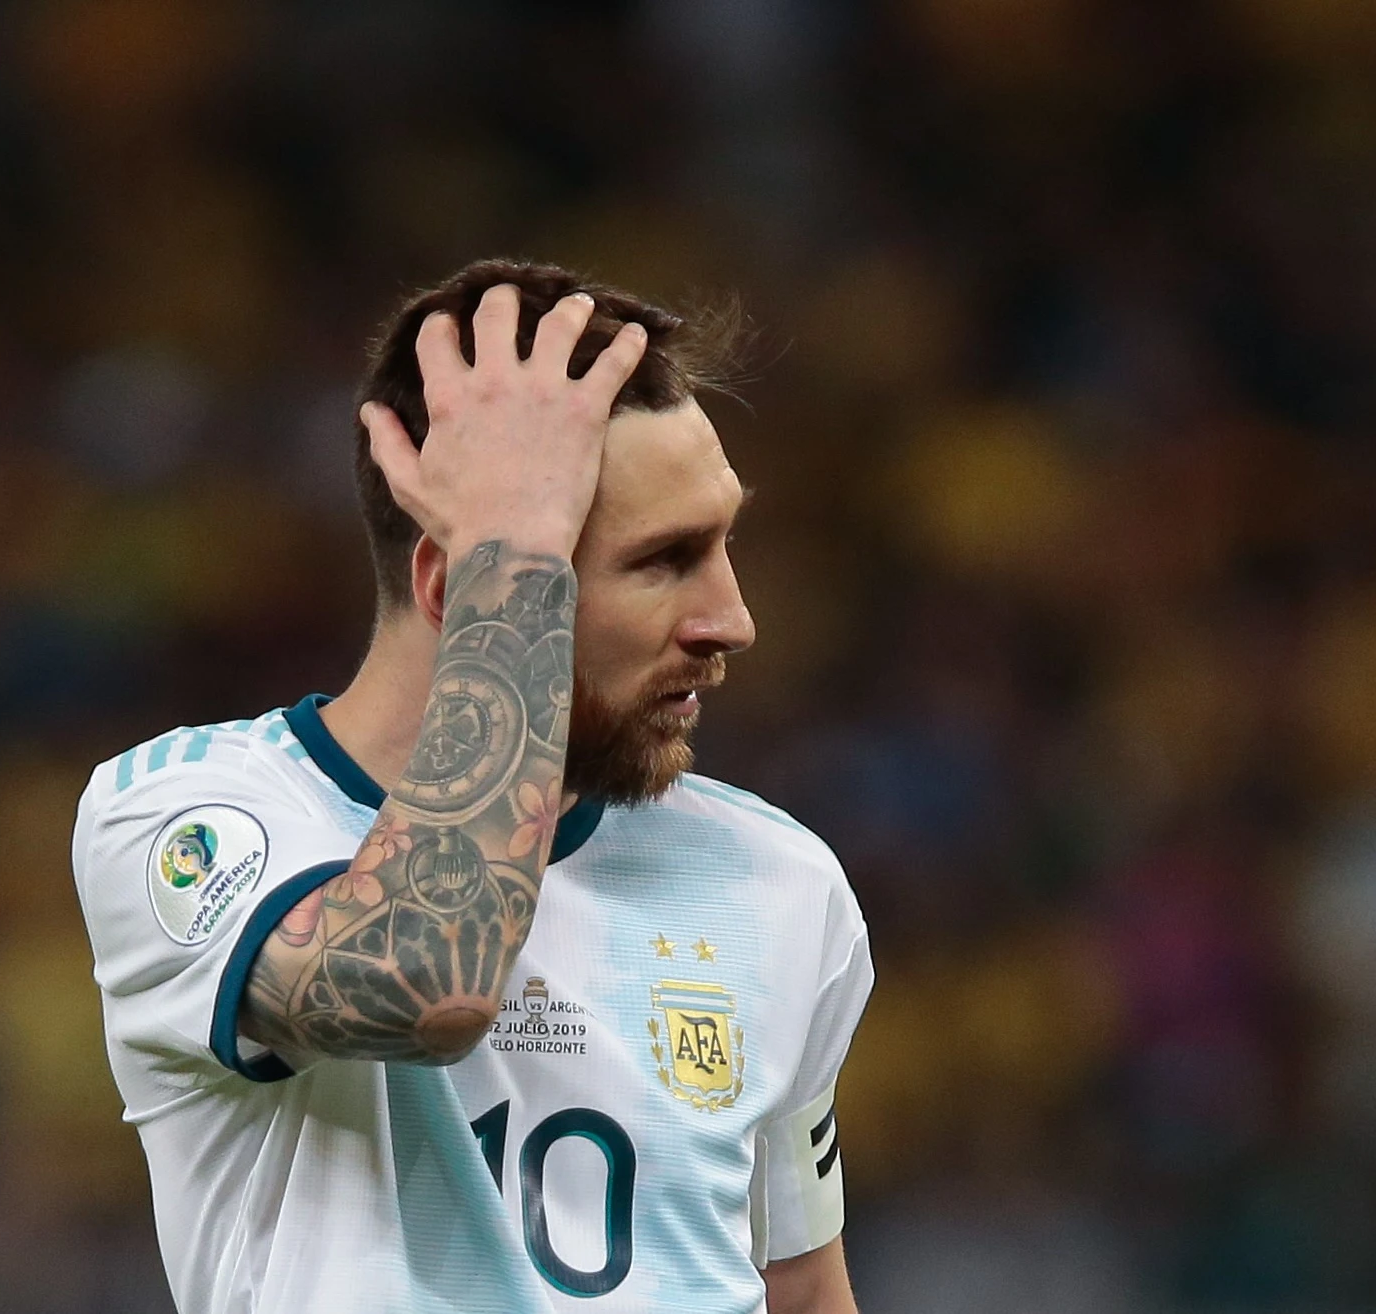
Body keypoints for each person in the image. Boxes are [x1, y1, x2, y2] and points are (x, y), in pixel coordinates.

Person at [70, 259, 873, 1313]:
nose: (731, 619)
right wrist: (518, 545)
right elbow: (425, 980)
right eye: (667, 559)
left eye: (724, 543)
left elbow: (801, 1293)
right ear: (465, 589)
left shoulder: (776, 879)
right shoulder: (191, 820)